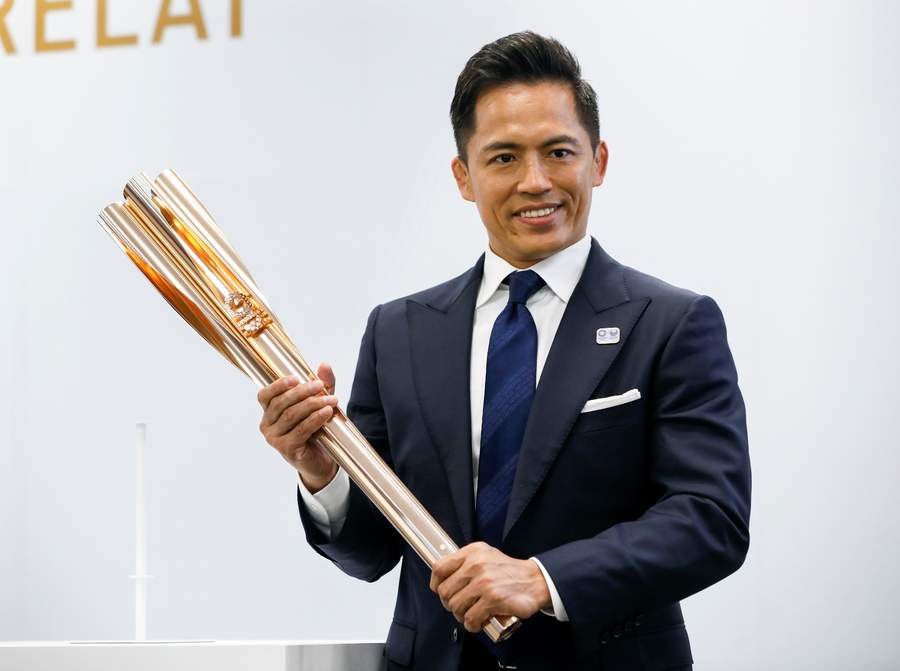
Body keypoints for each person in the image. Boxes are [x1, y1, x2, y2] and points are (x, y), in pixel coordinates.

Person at [257, 31, 751, 671]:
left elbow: (710, 520)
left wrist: (544, 578)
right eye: (504, 158)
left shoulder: (672, 323)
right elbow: (369, 553)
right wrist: (323, 473)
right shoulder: (398, 332)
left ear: (598, 161)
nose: (535, 182)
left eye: (559, 152)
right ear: (464, 177)